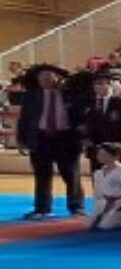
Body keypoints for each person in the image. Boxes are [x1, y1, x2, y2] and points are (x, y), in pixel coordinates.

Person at [15, 65, 90, 219]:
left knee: (71, 174)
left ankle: (77, 207)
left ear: (57, 78)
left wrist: (82, 136)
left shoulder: (72, 94)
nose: (45, 81)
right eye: (42, 78)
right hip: (40, 138)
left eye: (48, 77)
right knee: (42, 174)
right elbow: (24, 119)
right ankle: (42, 208)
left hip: (66, 137)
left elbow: (82, 112)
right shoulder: (32, 96)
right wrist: (22, 140)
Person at [89, 142, 121, 231]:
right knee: (90, 223)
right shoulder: (98, 173)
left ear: (115, 156)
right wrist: (98, 208)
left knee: (106, 225)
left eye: (104, 155)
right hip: (105, 203)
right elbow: (98, 193)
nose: (101, 157)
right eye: (99, 154)